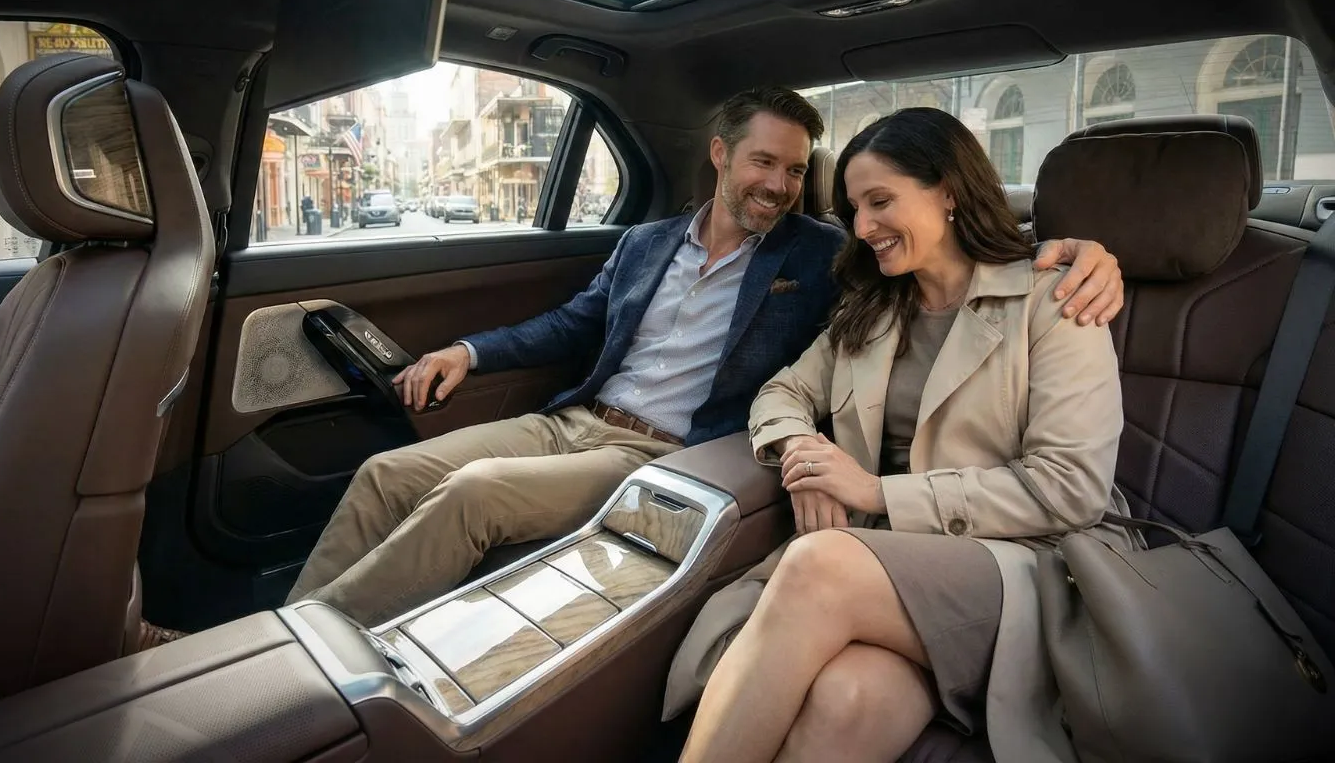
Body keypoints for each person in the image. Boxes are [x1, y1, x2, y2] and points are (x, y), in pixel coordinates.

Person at [285, 90, 1125, 628]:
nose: (780, 185)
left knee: (469, 495)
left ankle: (297, 666)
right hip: (567, 423)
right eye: (763, 162)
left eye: (797, 172)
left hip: (655, 451)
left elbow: (950, 263)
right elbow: (571, 326)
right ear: (721, 155)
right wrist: (468, 349)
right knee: (387, 472)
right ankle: (268, 638)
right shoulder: (646, 242)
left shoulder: (823, 254)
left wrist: (1072, 248)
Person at [667, 107, 1141, 763]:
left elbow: (1072, 488)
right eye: (855, 208)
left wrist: (877, 491)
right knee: (846, 700)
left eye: (881, 201)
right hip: (892, 571)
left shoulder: (1057, 300)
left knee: (820, 562)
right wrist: (802, 448)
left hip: (1024, 566)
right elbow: (783, 392)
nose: (861, 228)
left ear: (948, 189)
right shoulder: (873, 307)